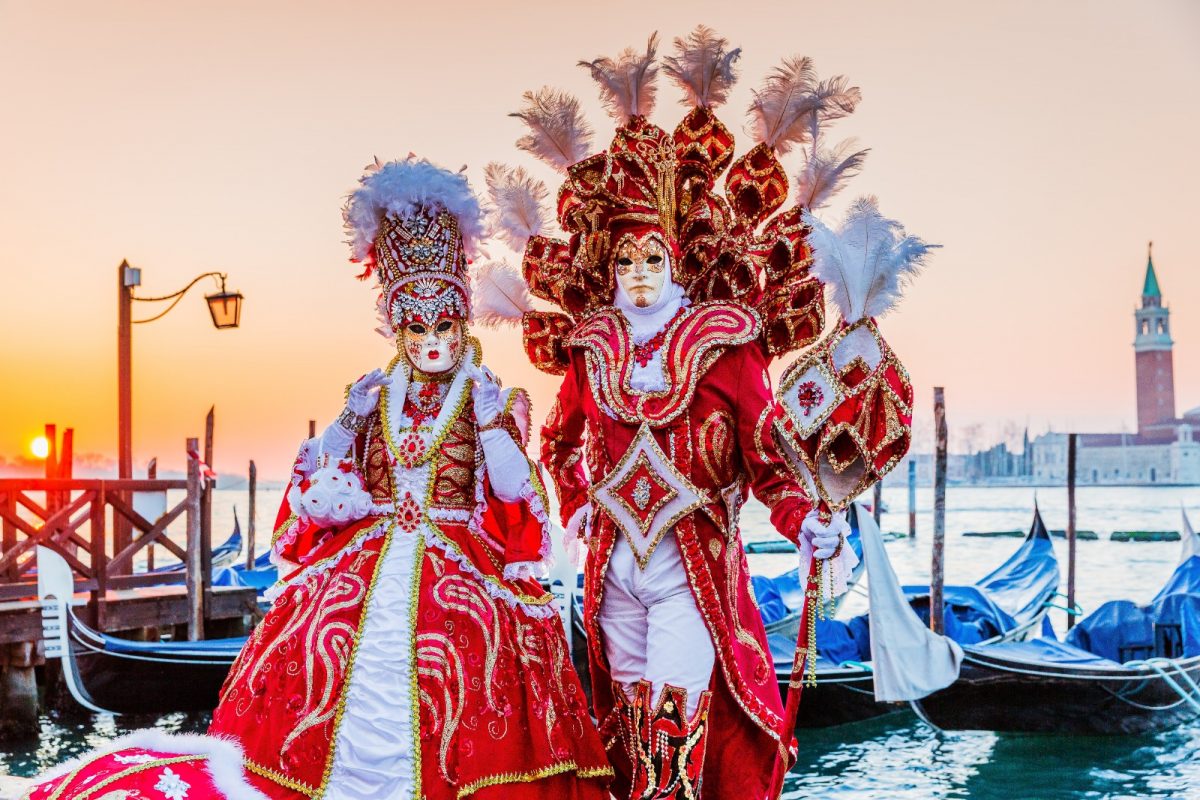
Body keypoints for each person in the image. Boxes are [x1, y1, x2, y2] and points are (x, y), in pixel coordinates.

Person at [23, 158, 611, 800]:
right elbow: (322, 466)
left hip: (457, 565)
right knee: (316, 651)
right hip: (365, 562)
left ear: (461, 320)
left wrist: (490, 419)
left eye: (443, 324)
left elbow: (509, 491)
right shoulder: (373, 394)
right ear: (397, 325)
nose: (433, 340)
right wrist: (347, 425)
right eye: (417, 326)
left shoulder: (488, 395)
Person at [494, 29, 861, 800]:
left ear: (676, 258)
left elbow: (772, 461)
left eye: (651, 259)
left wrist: (806, 522)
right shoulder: (593, 349)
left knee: (676, 713)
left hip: (692, 573)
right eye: (623, 261)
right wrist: (575, 508)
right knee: (625, 721)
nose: (635, 275)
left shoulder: (727, 349)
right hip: (613, 570)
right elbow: (559, 444)